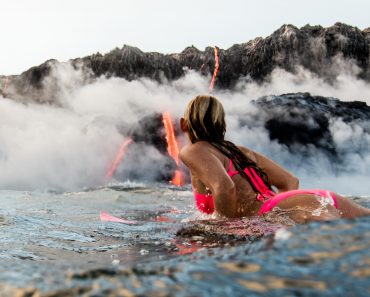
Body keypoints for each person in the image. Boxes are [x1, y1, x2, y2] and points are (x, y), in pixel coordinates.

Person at [179, 95, 370, 223]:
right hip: (320, 198)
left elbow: (224, 187)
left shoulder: (193, 150)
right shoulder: (241, 151)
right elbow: (289, 181)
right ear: (222, 123)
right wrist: (280, 213)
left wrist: (224, 231)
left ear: (183, 124)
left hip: (298, 206)